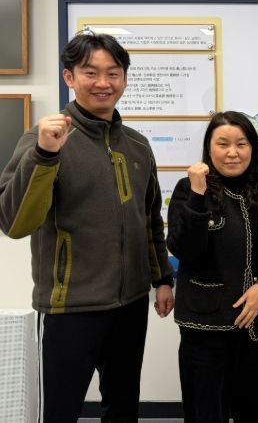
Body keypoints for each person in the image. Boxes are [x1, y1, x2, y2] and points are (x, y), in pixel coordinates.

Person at [0, 33, 174, 423]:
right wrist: (44, 154)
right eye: (90, 72)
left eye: (113, 73)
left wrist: (162, 279)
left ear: (124, 79)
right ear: (69, 77)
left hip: (130, 306)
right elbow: (14, 222)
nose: (103, 83)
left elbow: (150, 221)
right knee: (58, 413)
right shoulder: (45, 139)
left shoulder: (138, 145)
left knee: (123, 409)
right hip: (69, 309)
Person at [166, 111, 258, 422]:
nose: (232, 152)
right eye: (223, 144)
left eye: (241, 144)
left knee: (256, 411)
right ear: (209, 148)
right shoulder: (188, 188)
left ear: (253, 148)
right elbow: (185, 250)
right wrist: (197, 196)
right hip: (205, 324)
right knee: (205, 412)